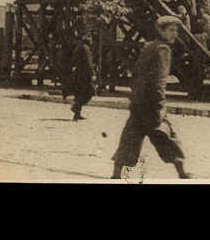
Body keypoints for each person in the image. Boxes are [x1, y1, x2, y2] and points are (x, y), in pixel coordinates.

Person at [111, 16, 190, 179]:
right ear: (161, 31)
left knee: (130, 138)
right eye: (171, 30)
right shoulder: (163, 49)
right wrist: (160, 105)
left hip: (138, 102)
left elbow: (135, 74)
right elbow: (159, 81)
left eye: (177, 30)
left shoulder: (148, 46)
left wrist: (136, 95)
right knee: (166, 136)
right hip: (152, 103)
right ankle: (182, 172)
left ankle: (116, 174)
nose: (175, 34)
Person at [70, 33, 96, 121]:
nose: (92, 40)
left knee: (81, 93)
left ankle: (77, 112)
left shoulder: (80, 47)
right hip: (85, 75)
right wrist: (93, 73)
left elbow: (73, 59)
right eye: (90, 38)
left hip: (79, 74)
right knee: (91, 90)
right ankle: (75, 108)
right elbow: (89, 62)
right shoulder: (86, 48)